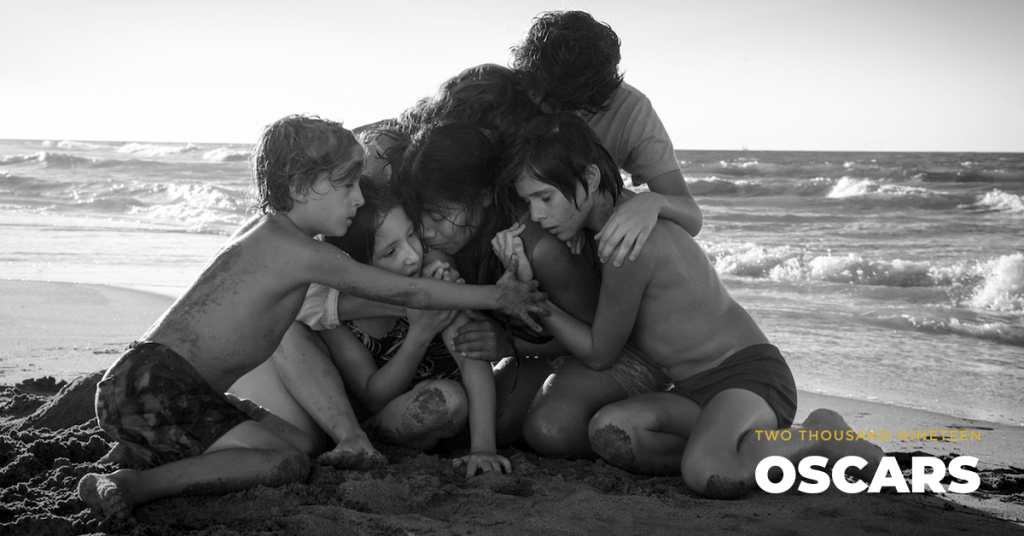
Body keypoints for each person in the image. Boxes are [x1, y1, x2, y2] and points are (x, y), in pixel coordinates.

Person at [77, 114, 547, 519]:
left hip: (168, 386)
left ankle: (148, 454)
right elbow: (404, 290)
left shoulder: (274, 237)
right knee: (284, 463)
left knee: (303, 447)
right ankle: (133, 485)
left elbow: (368, 301)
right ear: (302, 188)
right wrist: (500, 297)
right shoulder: (295, 250)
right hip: (154, 384)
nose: (359, 199)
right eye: (346, 185)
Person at [495, 112, 882, 498]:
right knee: (610, 432)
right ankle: (734, 445)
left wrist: (530, 302)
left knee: (708, 472)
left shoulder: (625, 244)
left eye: (544, 198)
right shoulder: (618, 216)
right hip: (693, 390)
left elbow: (599, 353)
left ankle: (820, 434)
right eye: (529, 202)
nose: (536, 215)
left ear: (591, 179)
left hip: (748, 377)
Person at [396, 122, 673, 457]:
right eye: (420, 220)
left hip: (619, 355)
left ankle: (662, 420)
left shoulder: (540, 246)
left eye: (439, 218)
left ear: (482, 197)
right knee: (494, 424)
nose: (426, 233)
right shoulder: (454, 243)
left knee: (550, 429)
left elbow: (600, 344)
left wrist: (508, 342)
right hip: (548, 354)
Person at [318, 177, 509, 478]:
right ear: (356, 268)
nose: (412, 255)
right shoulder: (336, 319)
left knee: (456, 399)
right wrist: (419, 335)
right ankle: (366, 438)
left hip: (461, 423)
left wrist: (484, 448)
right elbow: (372, 396)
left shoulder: (432, 285)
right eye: (390, 252)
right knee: (445, 400)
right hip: (396, 418)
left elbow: (472, 360)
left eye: (412, 235)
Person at [511, 10, 704, 266]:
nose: (538, 102)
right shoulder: (519, 90)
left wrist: (652, 203)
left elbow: (692, 218)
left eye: (556, 102)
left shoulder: (631, 111)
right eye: (536, 93)